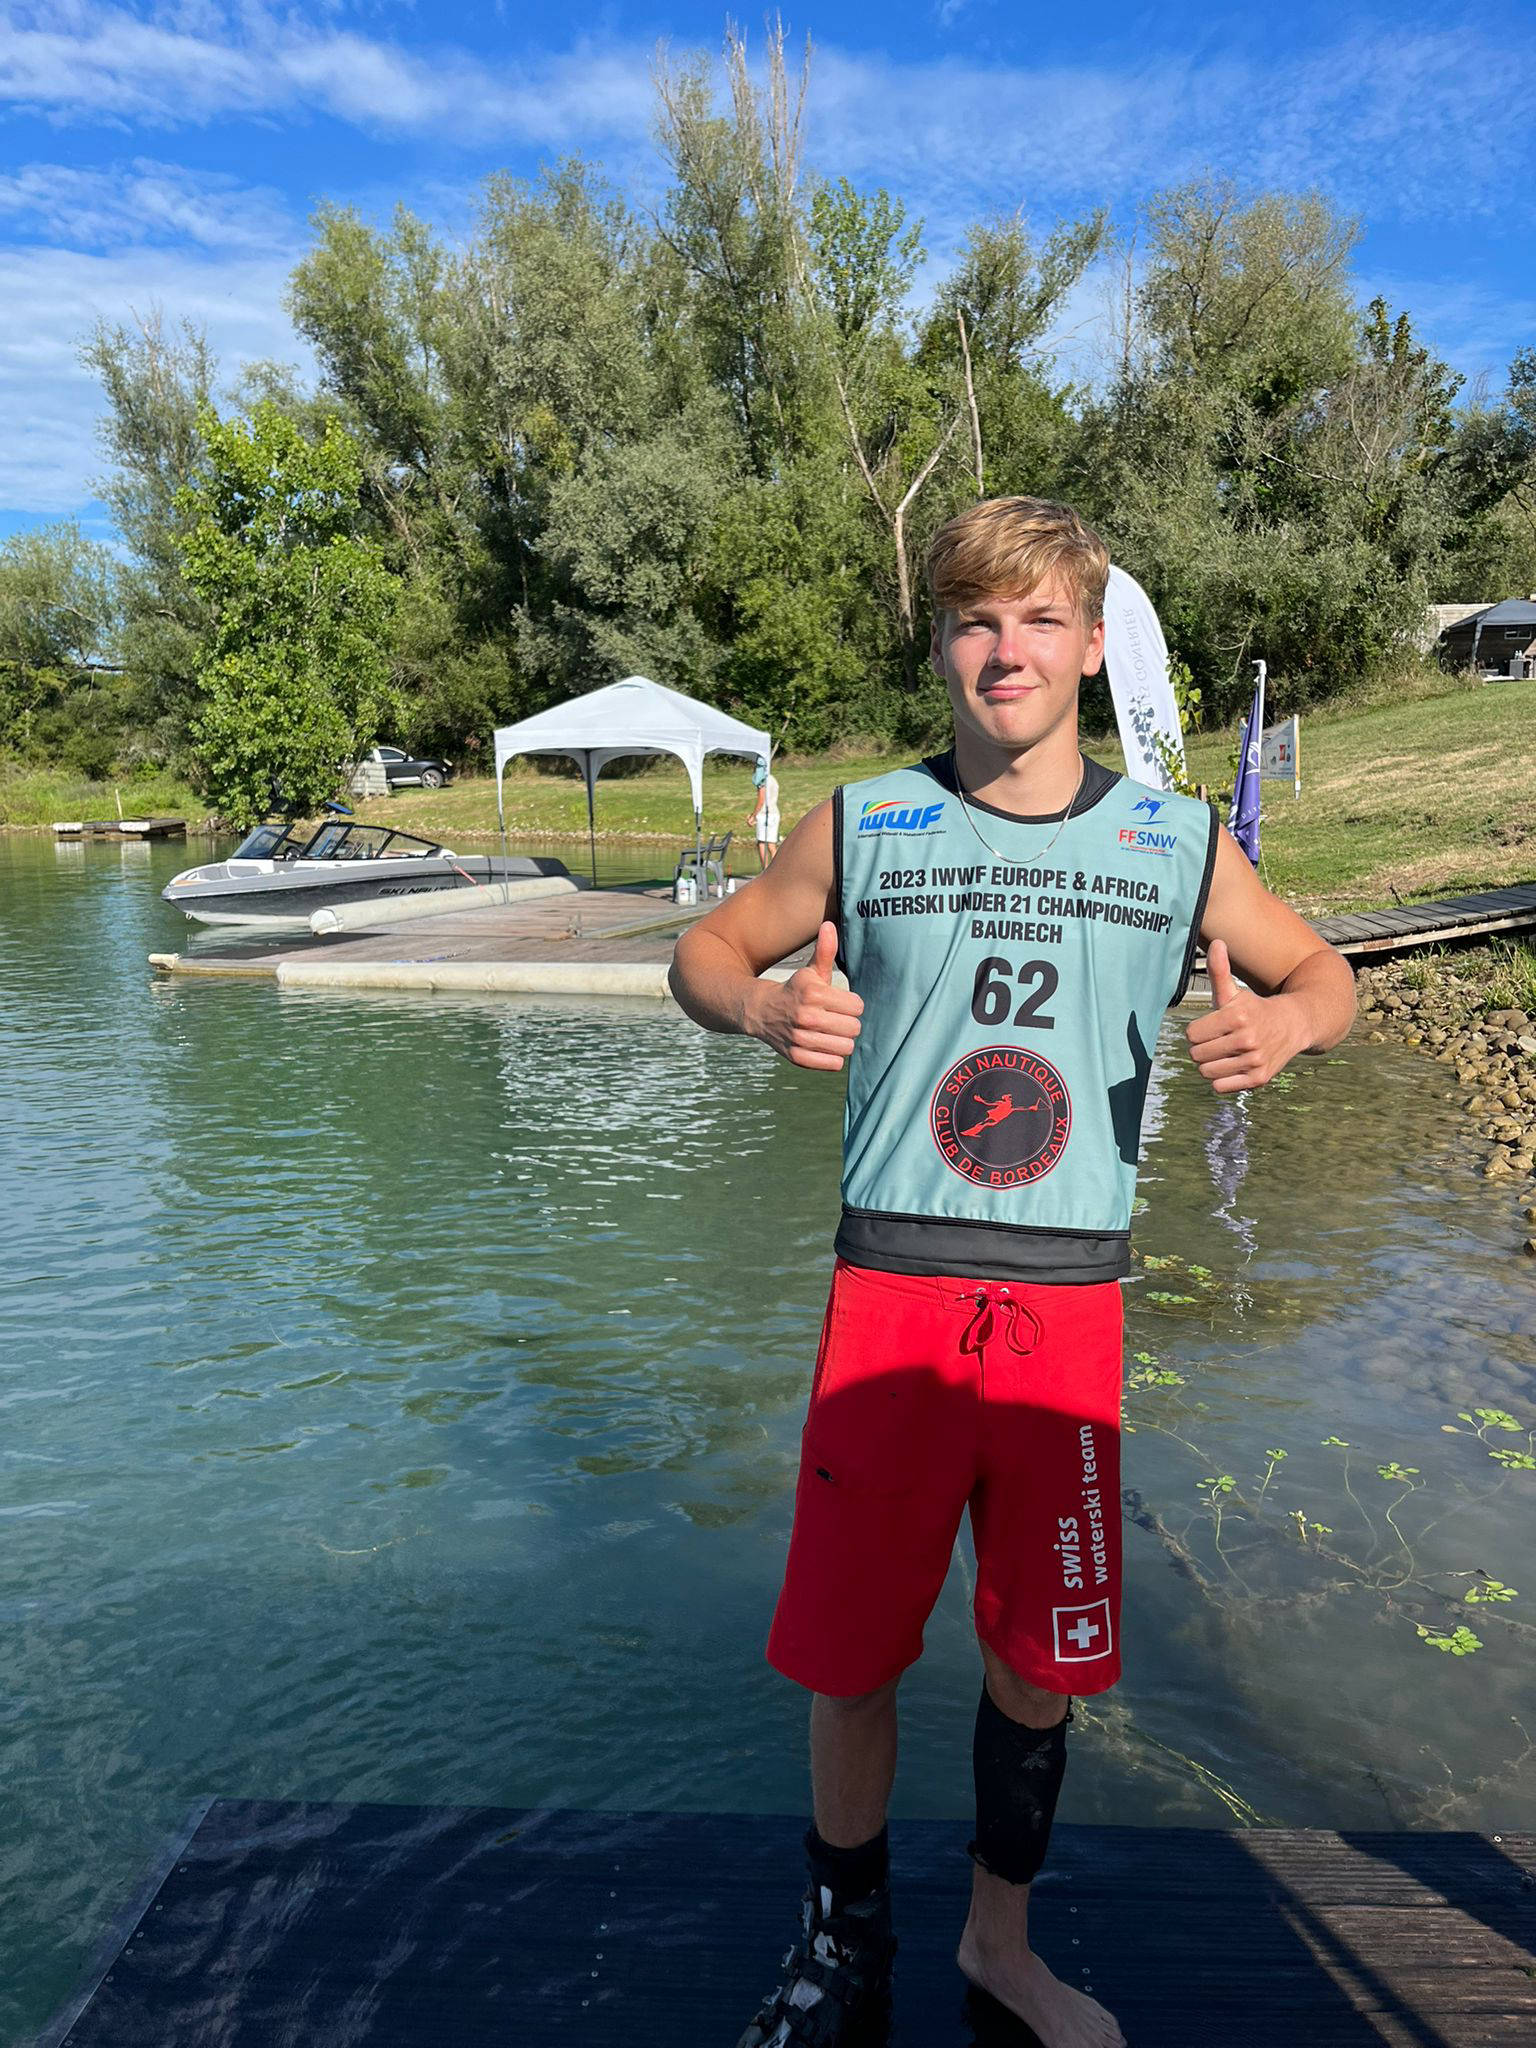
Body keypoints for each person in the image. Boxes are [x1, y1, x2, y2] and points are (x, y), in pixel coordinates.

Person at [668, 497, 1356, 2048]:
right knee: (849, 1660)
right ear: (941, 645)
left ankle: (999, 1947)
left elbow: (1326, 973)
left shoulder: (1175, 842)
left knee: (1041, 1667)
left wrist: (1288, 1024)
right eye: (977, 619)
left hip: (1068, 1308)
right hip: (892, 1293)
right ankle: (843, 1953)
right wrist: (761, 1011)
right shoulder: (865, 822)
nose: (1007, 650)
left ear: (1091, 645)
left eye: (1041, 619)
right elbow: (704, 953)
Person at [751, 756, 782, 868]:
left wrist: (753, 816)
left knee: (762, 843)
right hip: (774, 813)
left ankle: (765, 871)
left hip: (765, 815)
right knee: (772, 845)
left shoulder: (762, 780)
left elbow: (761, 800)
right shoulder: (773, 779)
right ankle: (776, 870)